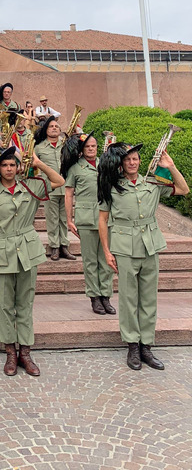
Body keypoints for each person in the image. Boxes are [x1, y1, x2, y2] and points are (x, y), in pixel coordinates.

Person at [98, 142, 189, 371]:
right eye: (128, 159)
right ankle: (132, 346)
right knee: (129, 299)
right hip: (124, 247)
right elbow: (102, 219)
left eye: (136, 159)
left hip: (150, 244)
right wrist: (107, 252)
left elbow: (184, 189)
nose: (132, 162)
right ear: (121, 163)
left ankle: (146, 345)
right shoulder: (111, 186)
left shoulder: (152, 183)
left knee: (148, 298)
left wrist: (171, 166)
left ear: (140, 161)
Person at [0, 146, 65, 377]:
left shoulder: (31, 185)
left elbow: (58, 181)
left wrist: (39, 164)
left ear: (18, 167)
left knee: (25, 304)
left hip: (27, 250)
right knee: (6, 306)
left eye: (12, 165)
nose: (9, 169)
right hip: (1, 251)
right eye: (5, 165)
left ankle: (25, 352)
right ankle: (10, 352)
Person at [62, 132, 115, 316]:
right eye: (87, 147)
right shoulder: (75, 168)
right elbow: (68, 194)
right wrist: (69, 219)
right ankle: (94, 297)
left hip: (107, 217)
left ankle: (106, 295)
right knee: (90, 261)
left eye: (93, 146)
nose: (91, 149)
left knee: (106, 259)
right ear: (82, 150)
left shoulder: (106, 164)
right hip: (86, 219)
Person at [34, 116, 75, 261]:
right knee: (52, 218)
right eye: (51, 126)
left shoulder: (66, 145)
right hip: (49, 187)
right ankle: (54, 247)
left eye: (57, 126)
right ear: (46, 130)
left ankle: (64, 245)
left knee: (64, 219)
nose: (54, 128)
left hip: (65, 188)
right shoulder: (39, 148)